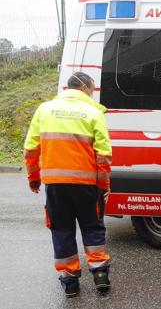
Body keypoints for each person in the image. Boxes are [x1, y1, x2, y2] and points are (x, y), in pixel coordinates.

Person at [24, 72, 113, 297]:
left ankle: (70, 281)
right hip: (86, 184)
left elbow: (31, 149)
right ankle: (100, 273)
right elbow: (103, 154)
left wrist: (34, 178)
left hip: (55, 185)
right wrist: (103, 186)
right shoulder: (94, 112)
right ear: (85, 88)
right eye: (92, 91)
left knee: (62, 229)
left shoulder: (44, 110)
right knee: (92, 226)